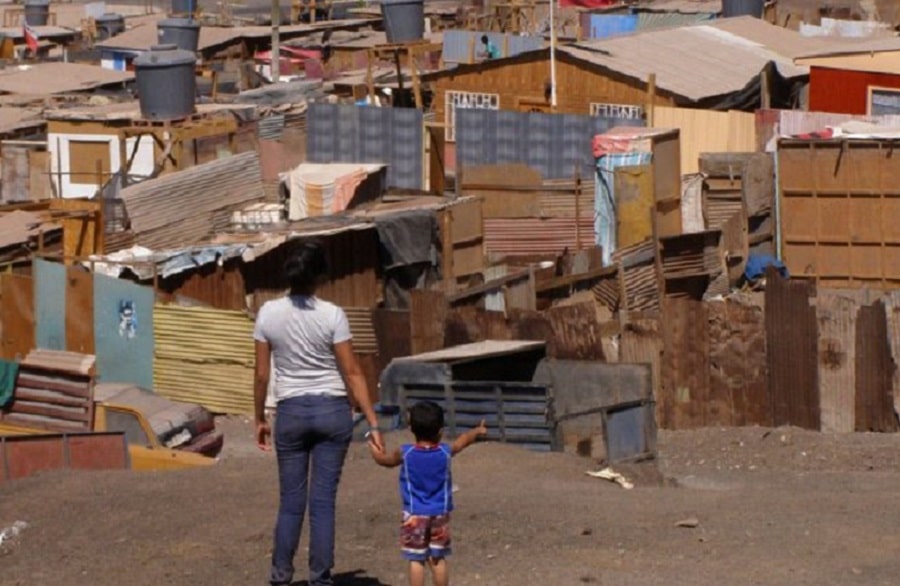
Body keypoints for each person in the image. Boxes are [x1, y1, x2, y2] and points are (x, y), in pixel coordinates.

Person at [253, 240, 385, 586]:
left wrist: (259, 417)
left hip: (291, 412)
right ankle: (320, 579)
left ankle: (281, 576)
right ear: (321, 276)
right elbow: (353, 372)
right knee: (323, 502)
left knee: (291, 502)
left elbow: (262, 375)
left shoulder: (267, 313)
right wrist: (373, 423)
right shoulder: (332, 314)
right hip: (332, 410)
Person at [368, 401, 488, 586]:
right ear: (440, 431)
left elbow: (386, 461)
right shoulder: (444, 452)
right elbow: (462, 441)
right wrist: (477, 431)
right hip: (440, 513)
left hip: (414, 513)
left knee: (416, 560)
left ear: (411, 428)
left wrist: (375, 452)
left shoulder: (406, 453)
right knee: (438, 559)